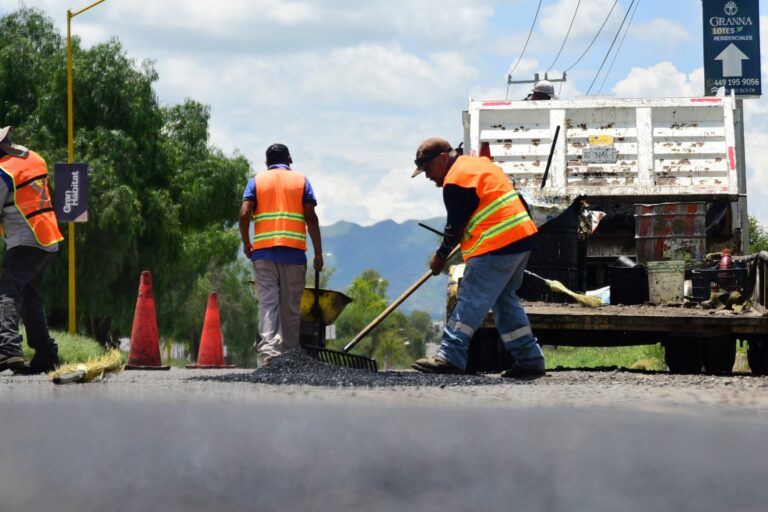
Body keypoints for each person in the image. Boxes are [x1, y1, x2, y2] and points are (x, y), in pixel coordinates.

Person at [409, 137, 546, 378]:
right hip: (521, 238)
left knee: (470, 298)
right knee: (505, 301)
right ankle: (529, 360)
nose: (428, 177)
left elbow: (454, 227)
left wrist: (439, 258)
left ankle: (450, 356)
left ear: (443, 159)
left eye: (428, 169)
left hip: (498, 244)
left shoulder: (456, 180)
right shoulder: (479, 166)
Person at [239, 143, 323, 366]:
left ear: (267, 163)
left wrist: (247, 243)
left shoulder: (256, 181)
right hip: (294, 254)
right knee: (290, 307)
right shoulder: (301, 181)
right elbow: (311, 217)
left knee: (268, 304)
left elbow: (244, 212)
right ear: (290, 159)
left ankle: (269, 355)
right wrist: (319, 253)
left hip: (264, 254)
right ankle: (289, 357)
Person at [0, 126, 64, 374]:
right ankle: (46, 354)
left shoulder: (3, 171)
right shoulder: (34, 158)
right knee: (29, 295)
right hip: (48, 239)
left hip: (26, 242)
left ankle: (8, 349)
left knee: (6, 290)